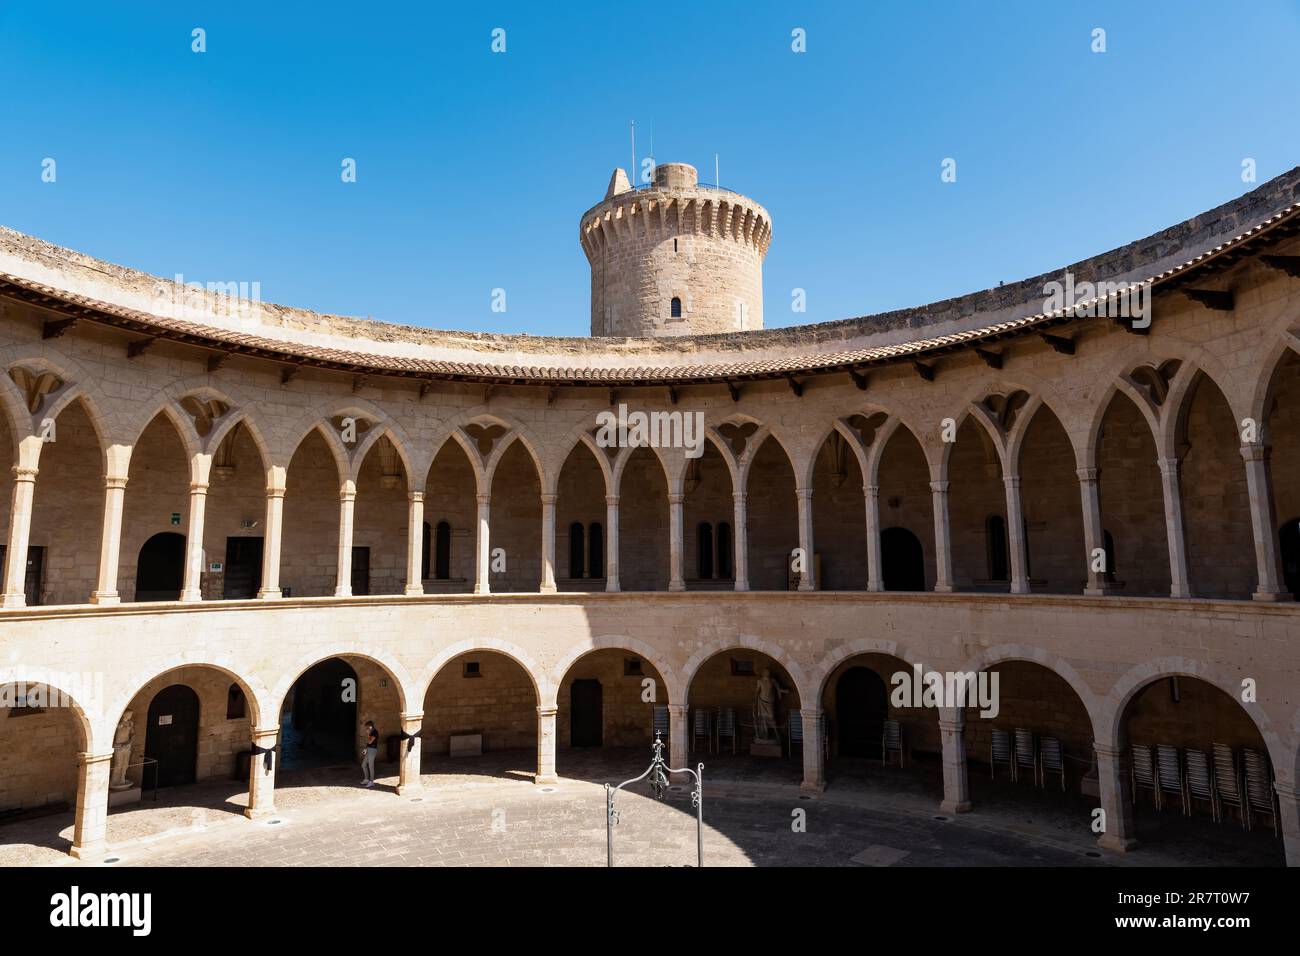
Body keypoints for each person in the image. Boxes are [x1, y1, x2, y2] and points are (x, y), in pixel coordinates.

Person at [360, 720, 379, 787]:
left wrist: (368, 734)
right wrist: (365, 749)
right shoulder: (371, 732)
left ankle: (371, 781)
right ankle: (366, 779)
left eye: (367, 727)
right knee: (363, 765)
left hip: (373, 750)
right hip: (369, 749)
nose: (367, 729)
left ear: (371, 726)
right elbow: (368, 743)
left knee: (371, 766)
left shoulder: (375, 732)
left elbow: (370, 742)